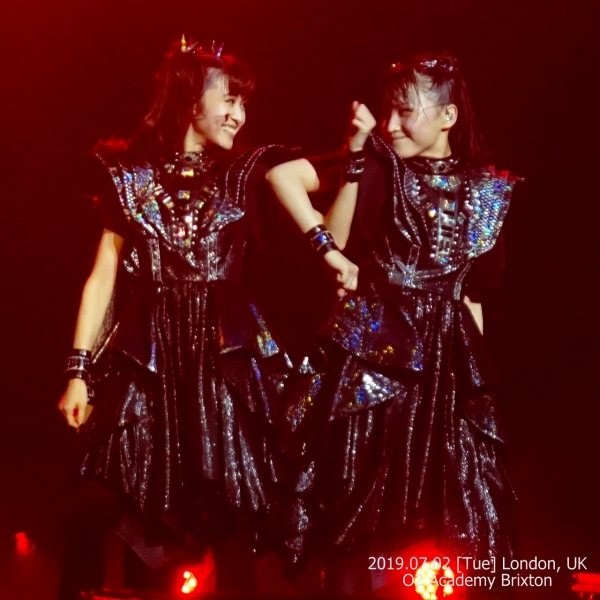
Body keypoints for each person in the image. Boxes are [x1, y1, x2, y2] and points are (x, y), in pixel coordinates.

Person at [57, 37, 357, 598]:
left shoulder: (242, 172)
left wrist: (358, 153)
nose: (239, 115)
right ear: (190, 99)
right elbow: (103, 275)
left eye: (245, 104)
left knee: (231, 511)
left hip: (222, 358)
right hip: (148, 355)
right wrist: (78, 370)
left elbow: (314, 176)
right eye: (229, 100)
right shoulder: (131, 175)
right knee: (100, 498)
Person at [267, 53, 520, 596]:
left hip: (444, 364)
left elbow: (474, 297)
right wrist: (329, 248)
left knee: (447, 517)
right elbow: (282, 176)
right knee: (359, 499)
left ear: (448, 116)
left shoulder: (487, 191)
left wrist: (474, 388)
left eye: (405, 111)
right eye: (387, 112)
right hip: (375, 357)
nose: (391, 124)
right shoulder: (378, 165)